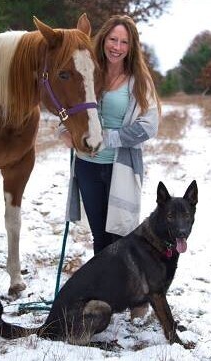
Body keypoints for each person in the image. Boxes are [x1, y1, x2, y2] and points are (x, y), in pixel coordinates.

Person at [60, 15, 161, 255]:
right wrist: (64, 130)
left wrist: (107, 138)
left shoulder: (139, 82)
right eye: (113, 39)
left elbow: (149, 126)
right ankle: (103, 290)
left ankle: (122, 290)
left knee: (120, 236)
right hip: (87, 166)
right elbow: (68, 106)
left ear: (131, 46)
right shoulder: (88, 72)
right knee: (100, 237)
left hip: (121, 167)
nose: (117, 47)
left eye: (124, 42)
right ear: (103, 39)